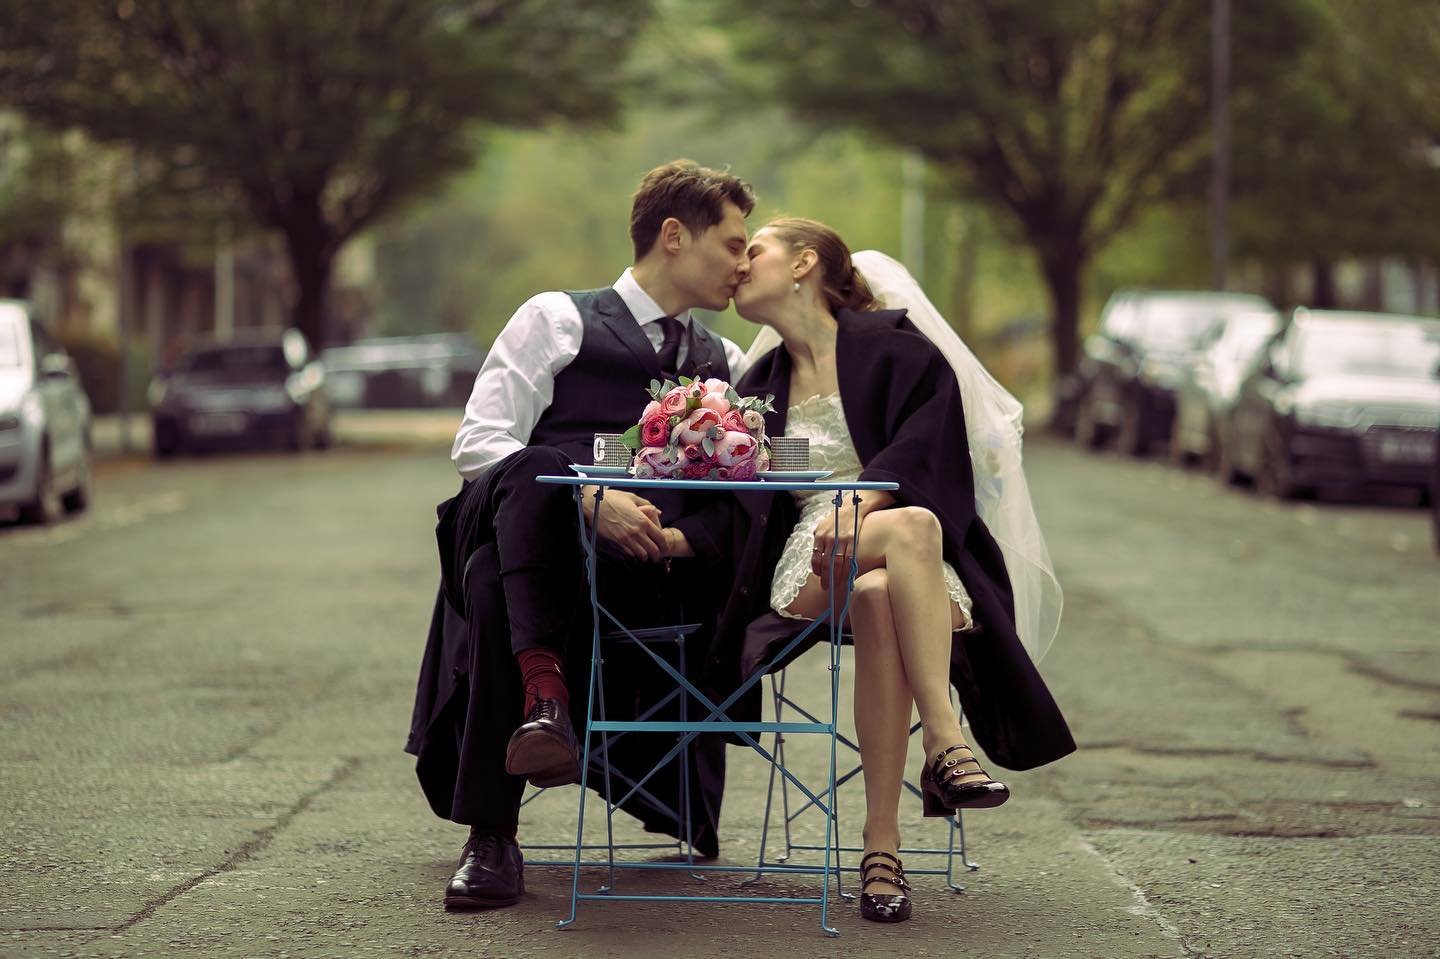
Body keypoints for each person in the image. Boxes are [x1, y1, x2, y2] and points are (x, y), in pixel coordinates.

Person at [405, 160, 755, 911]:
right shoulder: (555, 318)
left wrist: (674, 540)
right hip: (534, 547)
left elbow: (748, 488)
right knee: (527, 486)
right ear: (672, 236)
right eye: (732, 244)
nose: (743, 263)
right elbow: (478, 443)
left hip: (648, 580)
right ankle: (510, 785)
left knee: (501, 576)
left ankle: (509, 793)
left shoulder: (724, 362)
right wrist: (588, 498)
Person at [720, 217, 1074, 924]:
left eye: (752, 249)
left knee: (887, 582)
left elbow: (933, 454)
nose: (738, 264)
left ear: (803, 263)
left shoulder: (899, 351)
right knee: (910, 530)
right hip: (813, 561)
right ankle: (946, 738)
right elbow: (744, 502)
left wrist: (863, 498)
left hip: (904, 565)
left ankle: (881, 849)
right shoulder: (754, 384)